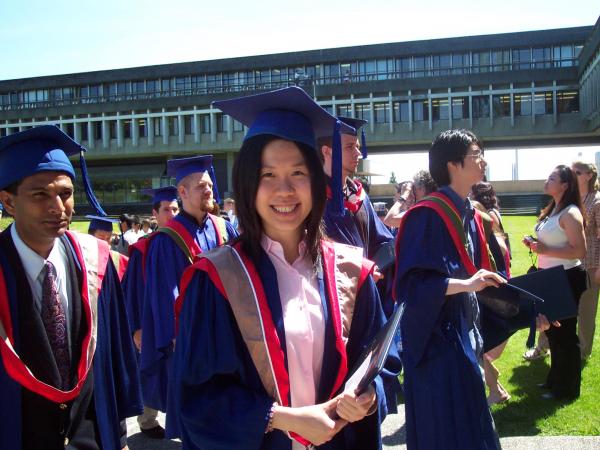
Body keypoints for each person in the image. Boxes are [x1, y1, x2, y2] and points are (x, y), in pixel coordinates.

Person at [169, 85, 398, 450]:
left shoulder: (351, 272)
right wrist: (281, 418)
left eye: (298, 173)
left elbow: (380, 364)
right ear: (248, 184)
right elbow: (198, 401)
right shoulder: (216, 281)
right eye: (267, 176)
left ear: (316, 181)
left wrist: (368, 398)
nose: (285, 191)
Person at [0, 125, 142, 450]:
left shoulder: (96, 261)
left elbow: (114, 359)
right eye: (40, 195)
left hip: (91, 437)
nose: (58, 206)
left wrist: (119, 438)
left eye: (65, 193)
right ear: (8, 201)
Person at [394, 129, 506, 449]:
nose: (482, 160)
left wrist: (529, 309)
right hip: (437, 342)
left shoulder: (467, 211)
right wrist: (467, 284)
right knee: (444, 431)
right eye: (476, 154)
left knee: (471, 428)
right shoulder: (426, 216)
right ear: (454, 164)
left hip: (466, 332)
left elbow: (481, 276)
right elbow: (412, 286)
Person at [140, 155, 238, 424]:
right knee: (197, 412)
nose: (209, 190)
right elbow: (163, 296)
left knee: (231, 406)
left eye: (209, 185)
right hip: (193, 338)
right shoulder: (167, 239)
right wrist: (177, 342)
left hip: (230, 332)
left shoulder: (225, 227)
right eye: (200, 186)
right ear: (182, 192)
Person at [523, 165, 587, 400]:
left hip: (567, 278)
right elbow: (552, 244)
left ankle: (567, 389)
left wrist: (546, 248)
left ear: (565, 185)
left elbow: (580, 250)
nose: (546, 181)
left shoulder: (571, 213)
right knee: (553, 334)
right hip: (550, 277)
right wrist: (535, 245)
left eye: (552, 178)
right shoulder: (554, 209)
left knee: (565, 335)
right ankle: (555, 381)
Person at [121, 185, 179, 439]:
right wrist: (136, 326)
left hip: (178, 321)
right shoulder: (144, 247)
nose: (173, 214)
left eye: (176, 208)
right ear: (155, 214)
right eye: (167, 209)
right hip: (150, 320)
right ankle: (147, 420)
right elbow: (132, 290)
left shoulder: (185, 243)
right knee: (152, 367)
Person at [572, 160, 600, 360]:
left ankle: (583, 351)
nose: (572, 174)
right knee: (560, 306)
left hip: (591, 263)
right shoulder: (572, 199)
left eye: (577, 171)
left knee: (586, 311)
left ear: (589, 175)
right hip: (569, 263)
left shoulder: (597, 202)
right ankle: (544, 345)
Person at [87, 214, 129, 281]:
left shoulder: (117, 258)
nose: (105, 242)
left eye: (108, 238)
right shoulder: (83, 256)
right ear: (90, 236)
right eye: (101, 238)